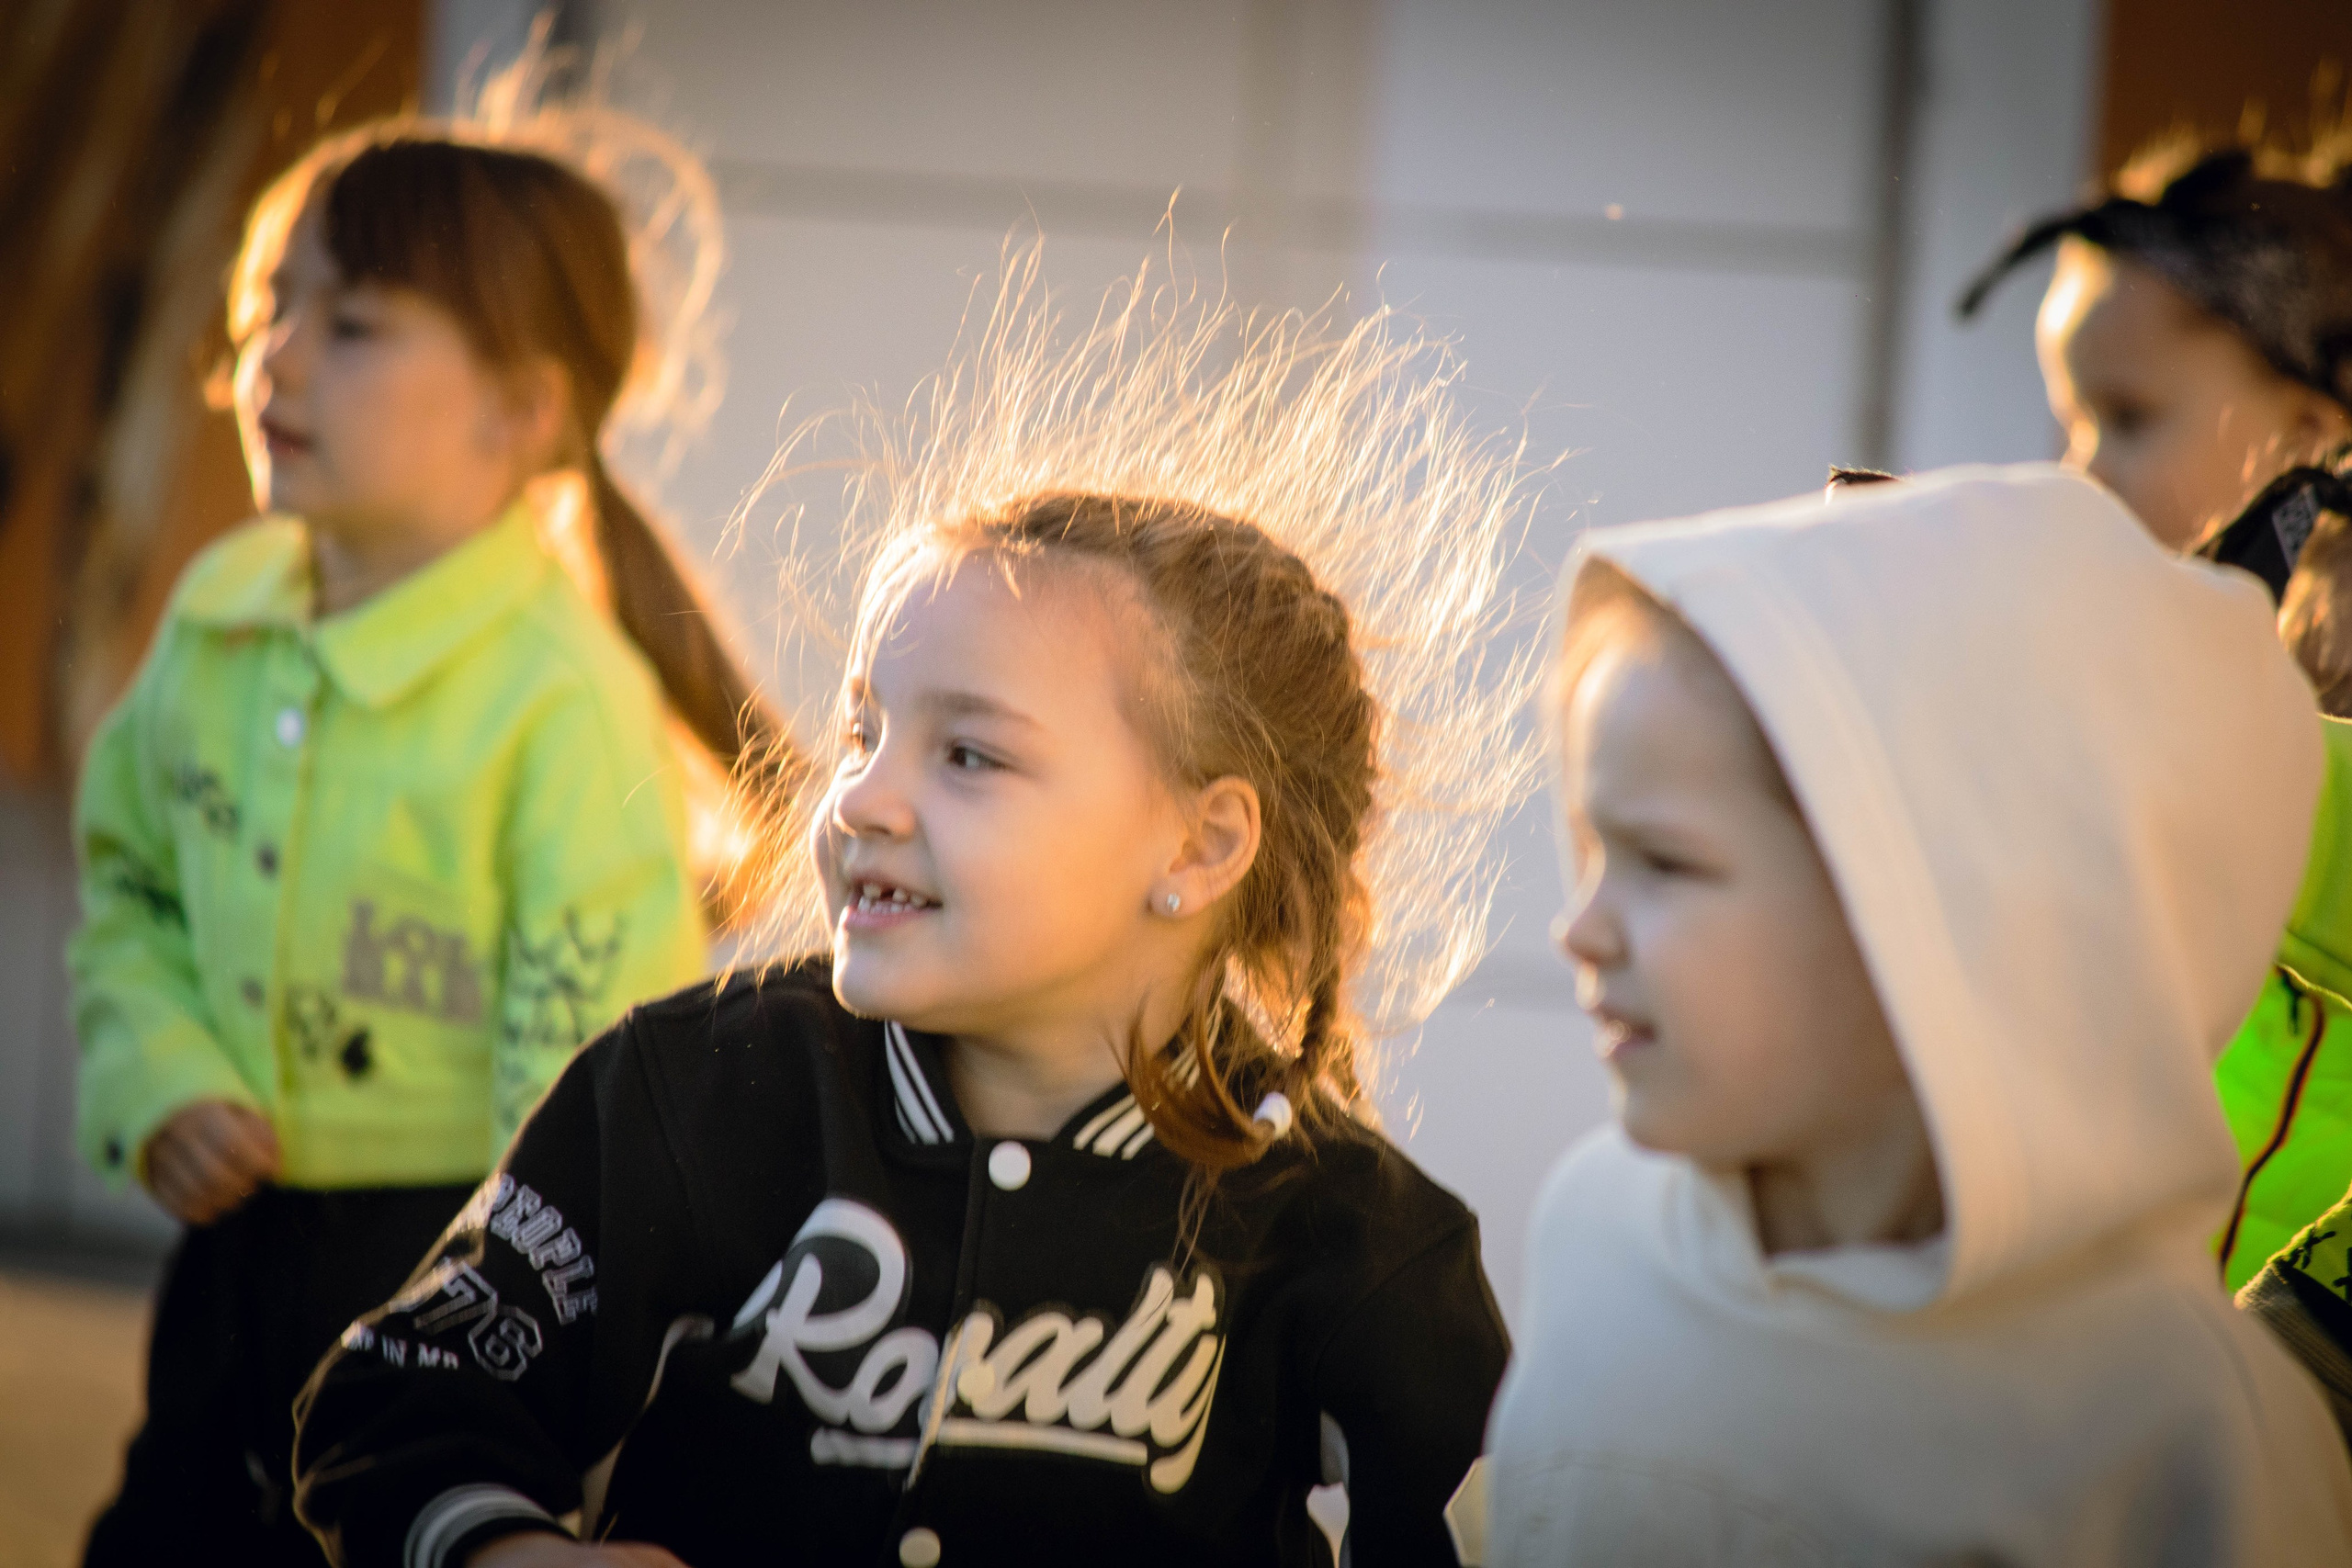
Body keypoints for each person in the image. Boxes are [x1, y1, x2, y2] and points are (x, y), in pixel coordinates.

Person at [288, 261, 1539, 1568]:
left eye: (970, 756)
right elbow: (394, 1403)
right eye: (861, 731)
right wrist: (504, 1550)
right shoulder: (694, 1092)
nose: (863, 798)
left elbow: (1519, 1526)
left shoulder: (1339, 1222)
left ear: (1200, 841)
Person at [70, 120, 770, 1564]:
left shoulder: (559, 702)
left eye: (354, 322)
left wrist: (536, 1343)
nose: (277, 354)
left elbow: (595, 1074)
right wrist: (159, 1067)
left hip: (448, 1267)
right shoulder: (220, 615)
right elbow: (129, 883)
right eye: (272, 305)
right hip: (229, 1255)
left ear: (521, 407)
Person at [1481, 466, 2352, 1564]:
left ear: (1929, 901)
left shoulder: (2181, 1426)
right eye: (1595, 848)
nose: (1579, 927)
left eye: (1663, 862)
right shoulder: (1592, 1235)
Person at [1963, 136, 2352, 1291]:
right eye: (2072, 424)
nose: (2079, 477)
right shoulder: (2168, 684)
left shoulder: (2290, 731)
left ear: (2311, 434)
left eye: (2125, 420)